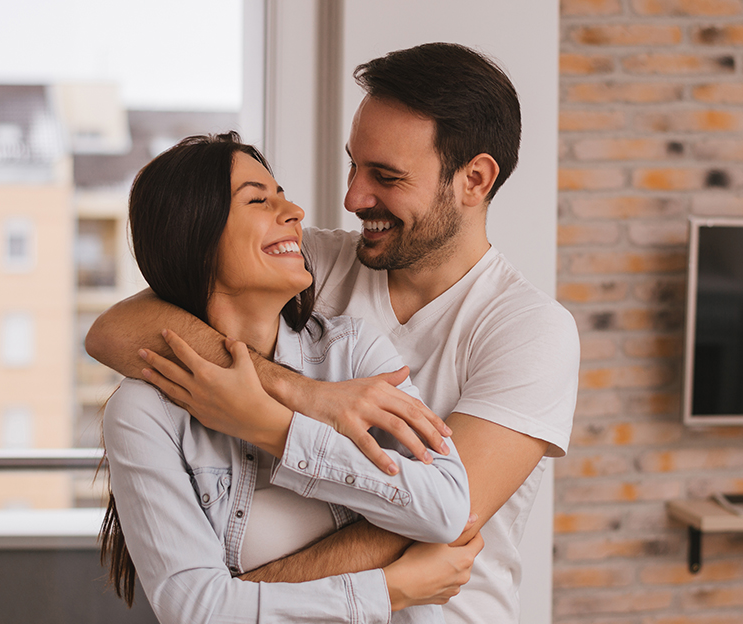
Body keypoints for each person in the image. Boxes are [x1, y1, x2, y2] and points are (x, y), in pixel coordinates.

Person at [87, 42, 580, 623]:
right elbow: (116, 329)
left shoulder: (529, 331)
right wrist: (300, 394)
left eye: (386, 176)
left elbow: (445, 518)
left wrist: (231, 600)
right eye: (353, 164)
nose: (352, 197)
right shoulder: (308, 264)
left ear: (473, 179)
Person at [100, 132, 482, 624]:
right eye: (259, 200)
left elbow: (447, 508)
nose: (295, 211)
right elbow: (195, 610)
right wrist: (389, 590)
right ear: (193, 235)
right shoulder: (143, 412)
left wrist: (276, 429)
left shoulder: (351, 352)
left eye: (282, 194)